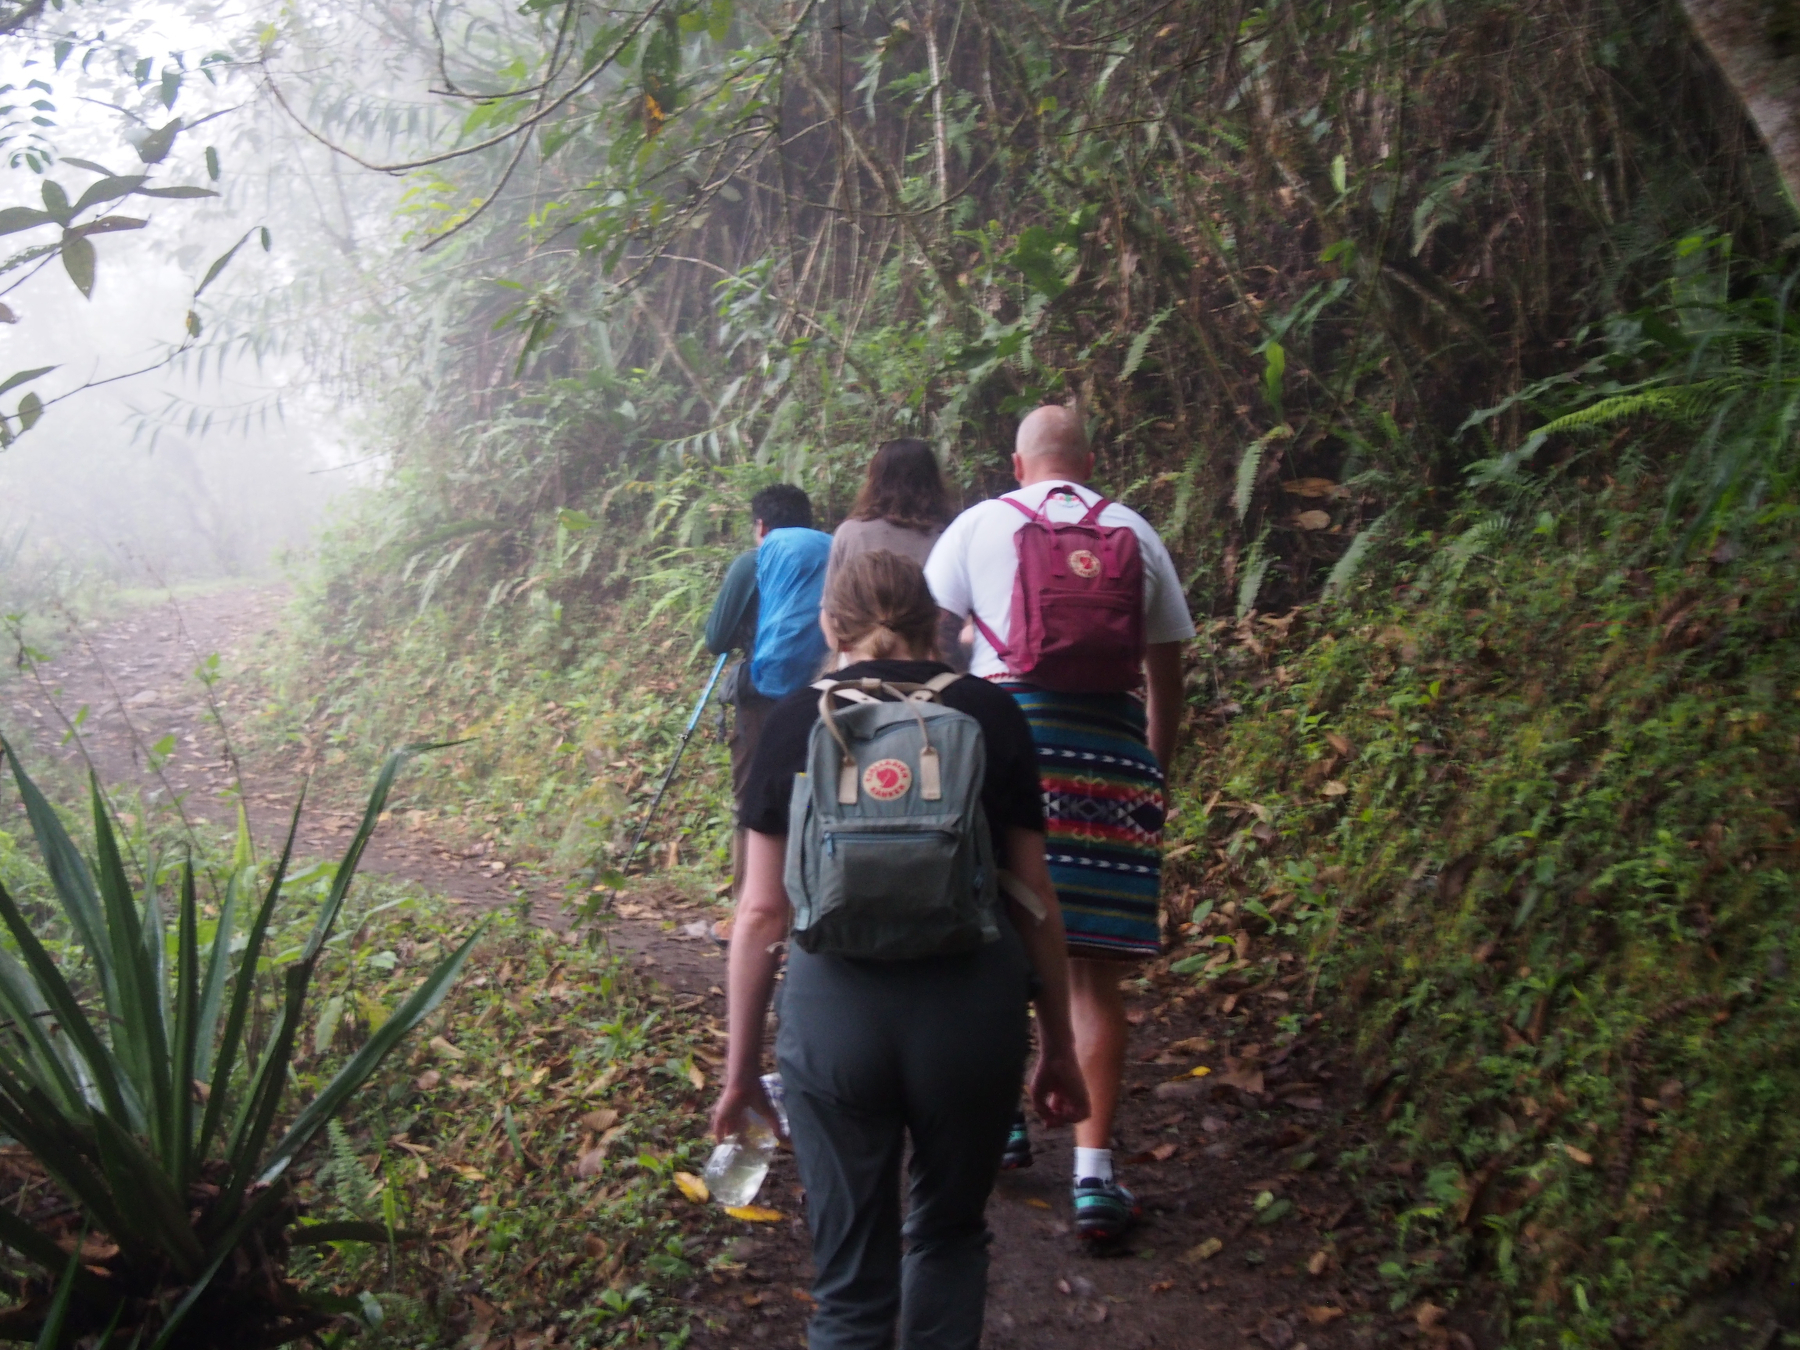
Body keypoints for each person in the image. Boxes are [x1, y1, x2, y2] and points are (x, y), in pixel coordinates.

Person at [711, 549, 1089, 1350]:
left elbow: (759, 914)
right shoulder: (991, 713)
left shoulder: (791, 721)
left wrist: (742, 1071)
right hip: (970, 1010)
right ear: (937, 622)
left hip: (835, 1013)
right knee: (950, 1236)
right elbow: (1036, 901)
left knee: (849, 1286)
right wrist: (1059, 1042)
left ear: (828, 623)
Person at [922, 404, 1195, 1244]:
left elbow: (935, 644)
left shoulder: (980, 524)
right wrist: (1151, 764)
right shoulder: (1133, 531)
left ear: (1018, 463)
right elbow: (1167, 671)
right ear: (1088, 458)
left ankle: (1001, 1124)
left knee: (996, 938)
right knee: (1093, 973)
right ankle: (1095, 1177)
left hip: (1005, 743)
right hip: (1108, 753)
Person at [704, 483, 833, 897]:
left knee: (754, 797)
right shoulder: (833, 552)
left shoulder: (754, 561)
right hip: (829, 691)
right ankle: (807, 906)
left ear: (761, 525)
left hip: (765, 696)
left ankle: (748, 906)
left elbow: (716, 639)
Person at [825, 437, 952, 588]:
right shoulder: (950, 536)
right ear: (933, 481)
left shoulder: (850, 534)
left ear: (875, 481)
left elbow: (831, 609)